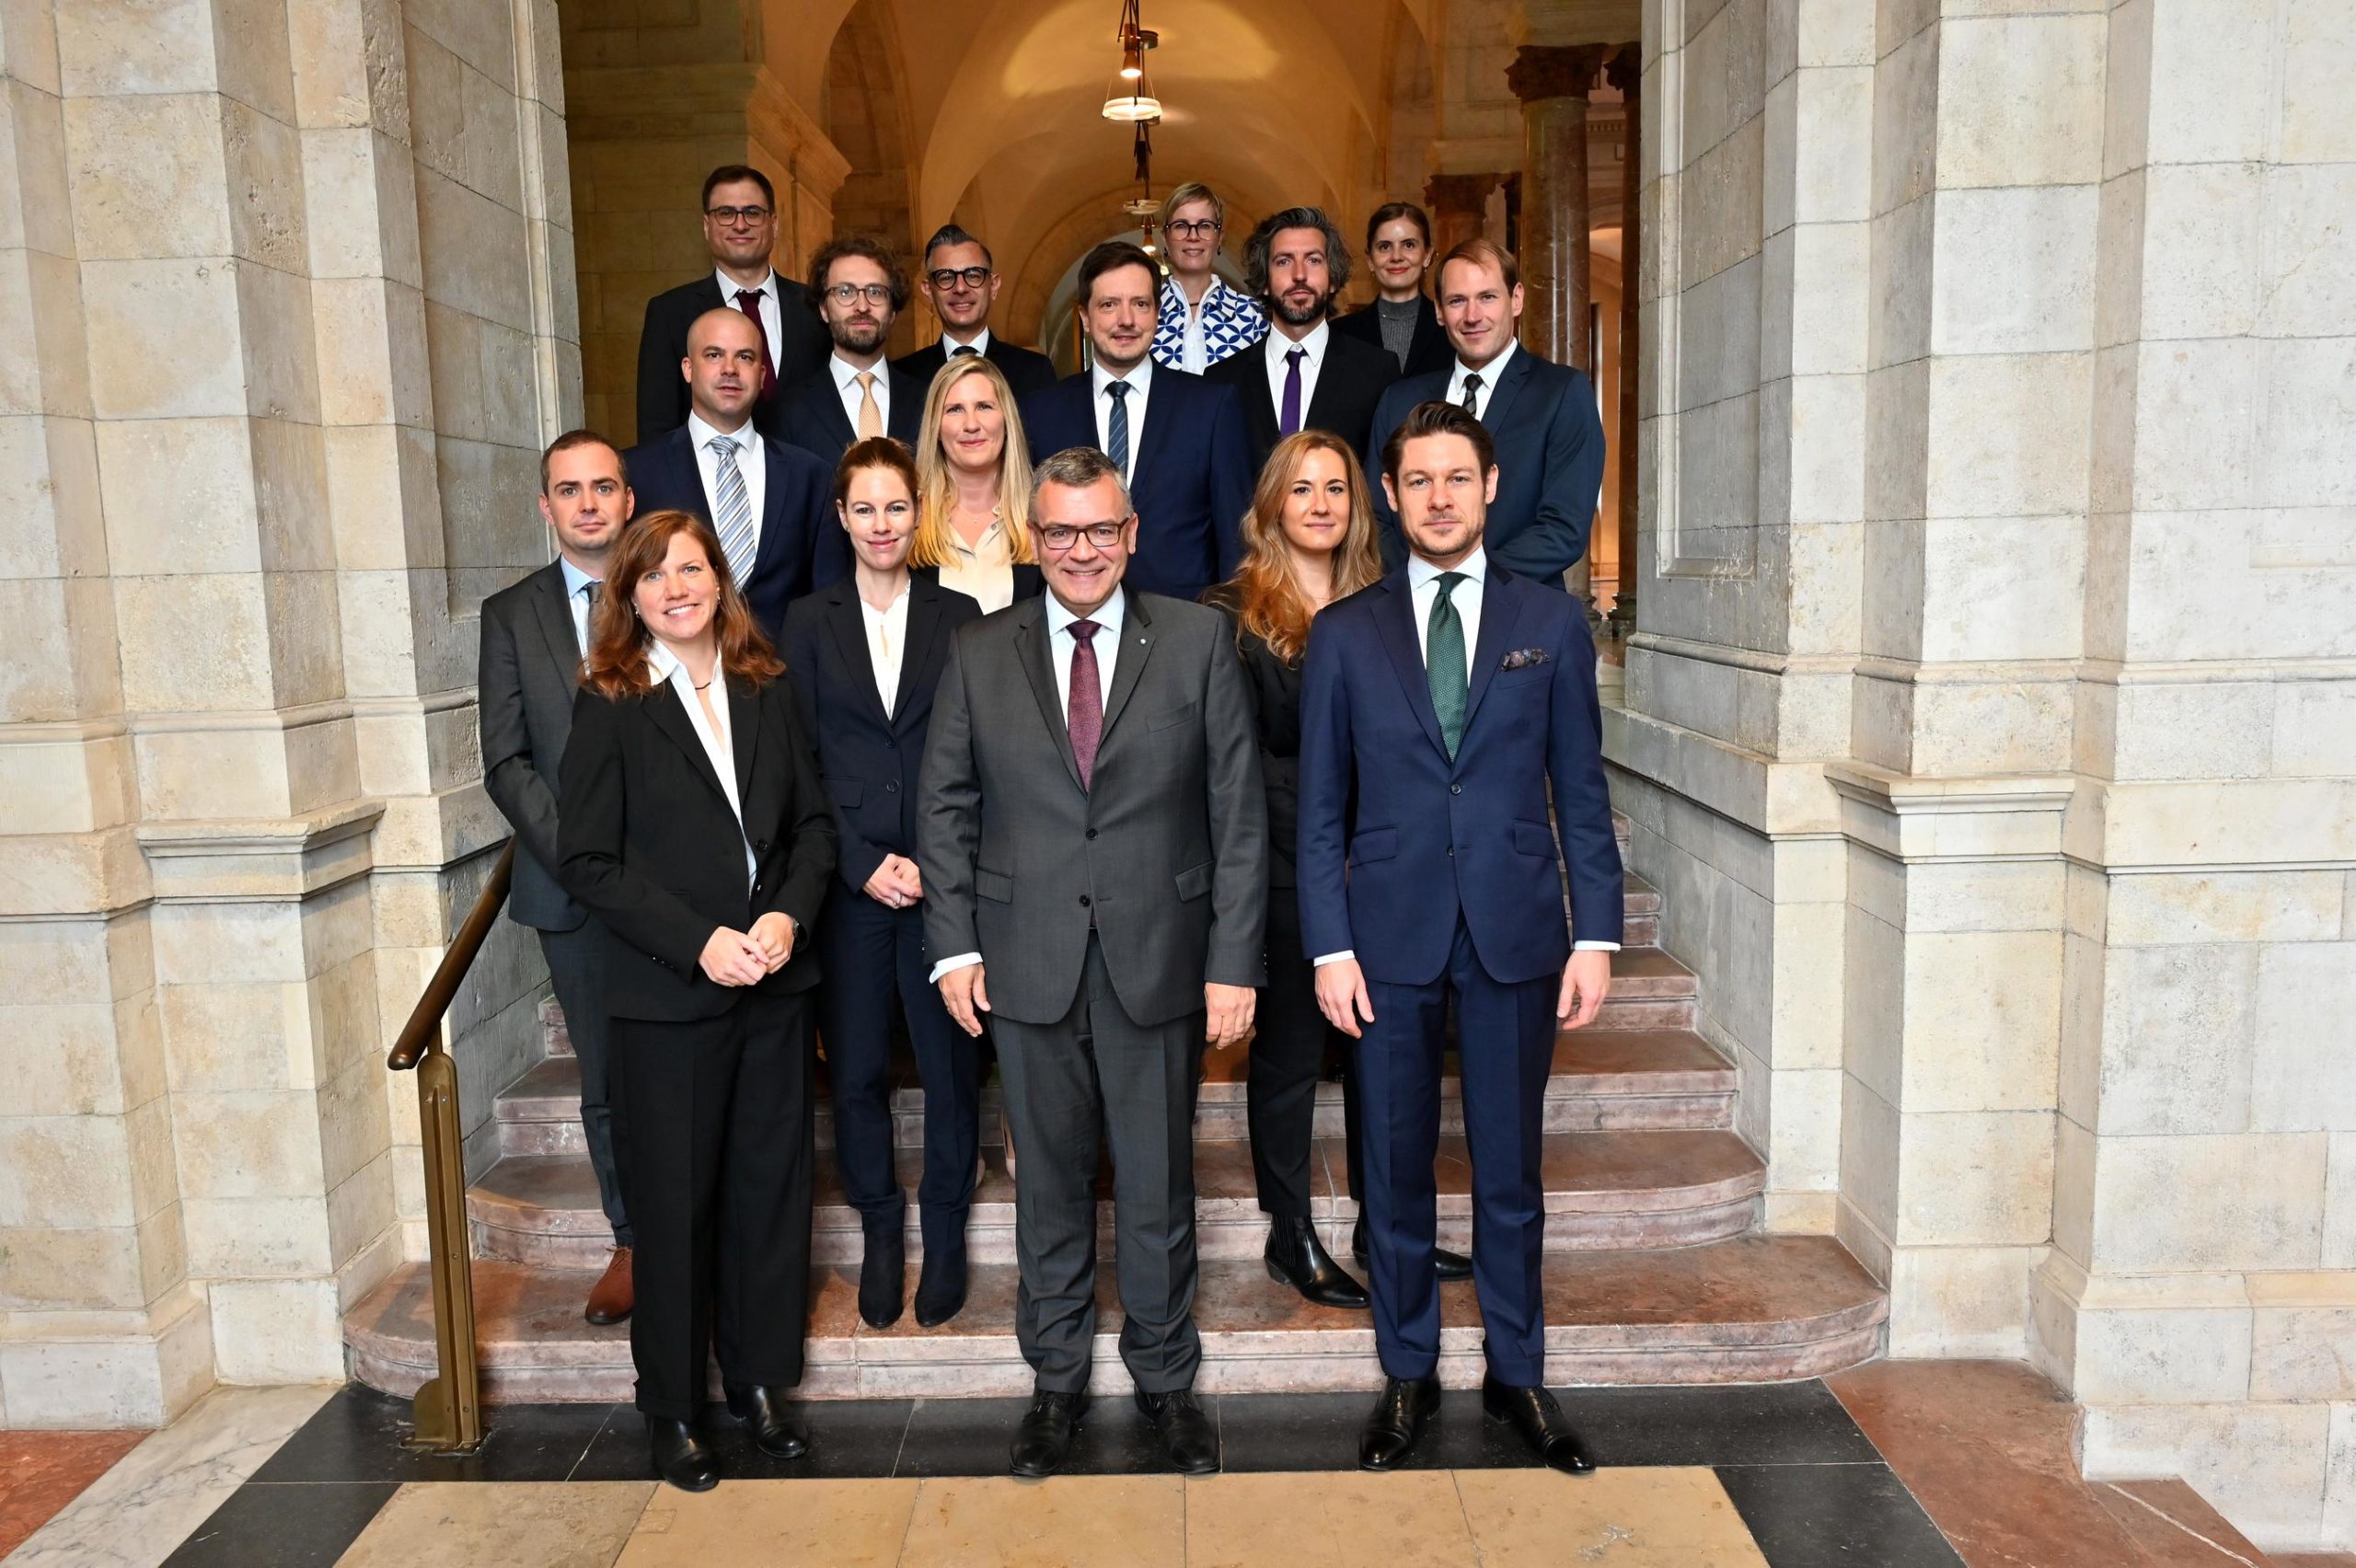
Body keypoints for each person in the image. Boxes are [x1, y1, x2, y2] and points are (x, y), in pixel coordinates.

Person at [917, 445, 1267, 1480]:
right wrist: (954, 947)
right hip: (1023, 963)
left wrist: (1234, 961)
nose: (1080, 550)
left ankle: (1165, 1382)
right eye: (1061, 531)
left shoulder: (1200, 641)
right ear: (1035, 538)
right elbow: (944, 806)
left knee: (1158, 1183)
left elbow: (1237, 815)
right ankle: (1056, 1383)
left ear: (1131, 535)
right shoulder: (982, 651)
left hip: (1159, 958)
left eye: (1099, 530)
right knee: (1049, 1188)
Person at [1298, 400, 1623, 1476]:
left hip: (1517, 932)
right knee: (1390, 1170)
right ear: (1388, 499)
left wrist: (1599, 934)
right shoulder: (1345, 632)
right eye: (1418, 481)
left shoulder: (1551, 621)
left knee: (1508, 1172)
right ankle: (1407, 1374)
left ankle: (1517, 1375)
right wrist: (1328, 946)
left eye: (1457, 478)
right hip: (1385, 940)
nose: (1438, 497)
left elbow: (1580, 789)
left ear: (1490, 489)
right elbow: (1319, 813)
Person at [558, 509, 838, 1493]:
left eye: (691, 567)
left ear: (718, 579)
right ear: (628, 595)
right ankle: (672, 1410)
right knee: (675, 1210)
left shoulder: (767, 684)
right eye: (654, 574)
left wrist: (788, 920)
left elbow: (813, 830)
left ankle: (760, 1386)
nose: (676, 586)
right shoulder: (611, 699)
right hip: (669, 1000)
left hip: (773, 987)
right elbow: (586, 859)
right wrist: (698, 941)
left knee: (769, 1197)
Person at [781, 440, 986, 1332]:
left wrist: (936, 868)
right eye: (863, 509)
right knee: (858, 1070)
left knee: (950, 1071)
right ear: (842, 516)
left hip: (943, 883)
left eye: (895, 508)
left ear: (918, 513)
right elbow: (798, 758)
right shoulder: (805, 620)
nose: (880, 524)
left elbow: (974, 754)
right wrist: (862, 861)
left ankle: (944, 1234)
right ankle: (880, 1230)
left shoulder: (963, 612)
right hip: (851, 882)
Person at [1199, 431, 1386, 1310]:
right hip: (1280, 871)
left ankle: (1385, 1227)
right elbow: (1235, 771)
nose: (1320, 503)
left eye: (1336, 488)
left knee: (1380, 1056)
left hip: (1380, 869)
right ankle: (1291, 1233)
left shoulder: (1388, 603)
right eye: (1302, 487)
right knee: (1288, 1059)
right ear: (1272, 502)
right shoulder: (1231, 614)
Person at [479, 430, 640, 1328]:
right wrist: (579, 854)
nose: (587, 503)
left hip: (675, 887)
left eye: (603, 487)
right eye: (568, 489)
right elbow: (506, 759)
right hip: (570, 893)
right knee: (608, 1076)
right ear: (546, 506)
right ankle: (632, 1239)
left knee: (683, 1063)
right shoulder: (511, 615)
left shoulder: (668, 592)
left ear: (626, 500)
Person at [1020, 240, 1253, 602]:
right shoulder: (1041, 412)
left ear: (1157, 314)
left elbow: (1235, 535)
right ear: (1084, 316)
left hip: (1184, 624)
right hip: (1074, 623)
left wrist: (1228, 630)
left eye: (1140, 304)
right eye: (1109, 305)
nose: (1126, 320)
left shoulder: (1211, 406)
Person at [1365, 238, 1607, 584]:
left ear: (1517, 299)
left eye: (1487, 297)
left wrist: (1466, 581)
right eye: (1457, 301)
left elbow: (1563, 529)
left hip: (1520, 612)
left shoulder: (1562, 393)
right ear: (1438, 311)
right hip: (1410, 611)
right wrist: (1422, 582)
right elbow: (1373, 516)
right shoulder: (1398, 401)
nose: (1472, 316)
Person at [624, 308, 839, 638]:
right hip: (674, 677)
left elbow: (828, 600)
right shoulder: (637, 473)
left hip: (784, 678)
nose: (730, 369)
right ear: (687, 368)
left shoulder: (811, 475)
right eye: (714, 355)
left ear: (762, 374)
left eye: (745, 357)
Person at [636, 165, 829, 444]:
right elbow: (657, 427)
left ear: (773, 224)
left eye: (752, 212)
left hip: (807, 480)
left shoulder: (816, 307)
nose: (740, 224)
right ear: (706, 226)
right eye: (725, 213)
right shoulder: (670, 313)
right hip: (711, 481)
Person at [1206, 205, 1400, 471]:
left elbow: (1384, 478)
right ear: (1264, 280)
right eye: (1283, 261)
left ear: (1333, 278)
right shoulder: (1221, 381)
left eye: (1313, 260)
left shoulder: (1377, 372)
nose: (1299, 275)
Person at [911, 354, 1045, 612]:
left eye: (984, 406)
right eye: (955, 409)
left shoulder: (1042, 516)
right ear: (935, 427)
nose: (971, 424)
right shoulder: (909, 519)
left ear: (1006, 420)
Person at [780, 235, 926, 467]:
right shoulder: (789, 410)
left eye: (876, 292)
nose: (862, 306)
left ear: (893, 312)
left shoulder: (928, 400)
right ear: (824, 309)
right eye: (845, 292)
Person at [892, 224, 1057, 400]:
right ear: (928, 290)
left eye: (973, 275)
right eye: (946, 277)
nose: (961, 288)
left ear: (993, 286)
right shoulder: (902, 376)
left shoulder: (1035, 372)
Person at [1149, 181, 1265, 372]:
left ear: (1219, 237)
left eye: (1204, 225)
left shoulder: (1253, 316)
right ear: (1165, 238)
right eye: (1180, 225)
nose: (1193, 236)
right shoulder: (1144, 315)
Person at [1333, 202, 1453, 378]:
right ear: (1370, 260)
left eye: (1409, 245)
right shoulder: (1340, 334)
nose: (1396, 256)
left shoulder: (1451, 329)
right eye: (1385, 247)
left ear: (1427, 255)